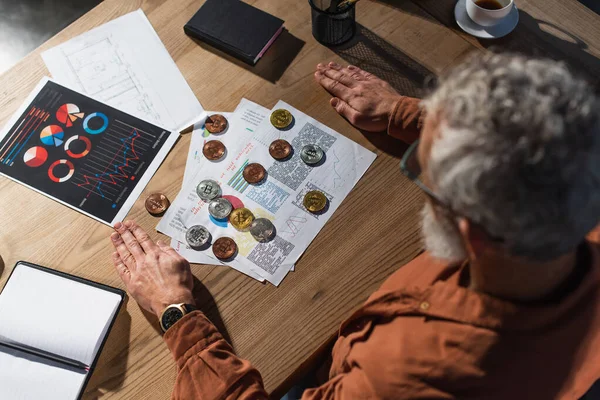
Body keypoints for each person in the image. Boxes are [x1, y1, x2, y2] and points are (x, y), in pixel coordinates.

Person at [109, 52, 600, 399]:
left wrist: (178, 317)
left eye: (422, 170)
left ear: (471, 231)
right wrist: (408, 114)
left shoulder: (402, 375)